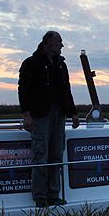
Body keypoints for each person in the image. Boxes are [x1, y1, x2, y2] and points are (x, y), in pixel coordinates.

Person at [18, 30, 80, 207]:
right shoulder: (31, 63)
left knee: (56, 155)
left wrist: (73, 113)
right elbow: (23, 90)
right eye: (59, 41)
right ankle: (40, 197)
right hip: (40, 115)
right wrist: (26, 114)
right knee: (40, 155)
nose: (62, 45)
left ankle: (54, 194)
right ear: (47, 43)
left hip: (59, 114)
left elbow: (66, 91)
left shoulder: (61, 65)